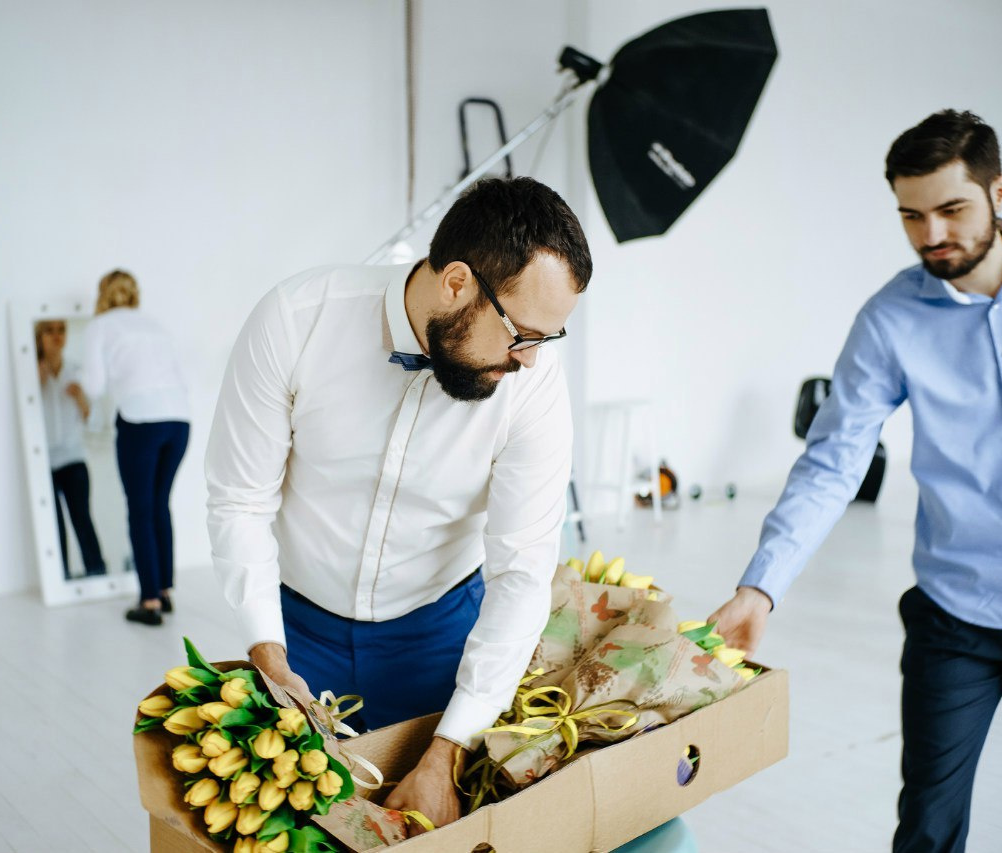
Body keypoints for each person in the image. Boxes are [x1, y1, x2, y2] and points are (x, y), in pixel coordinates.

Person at [206, 177, 695, 851]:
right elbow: (240, 499)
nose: (529, 360)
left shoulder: (535, 387)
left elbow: (522, 571)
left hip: (440, 634)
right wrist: (267, 651)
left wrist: (449, 748)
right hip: (298, 631)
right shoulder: (296, 320)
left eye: (547, 339)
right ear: (457, 283)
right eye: (522, 334)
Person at [708, 110, 1002, 853]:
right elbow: (833, 459)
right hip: (956, 616)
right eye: (911, 216)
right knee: (926, 828)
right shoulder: (890, 319)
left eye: (951, 209)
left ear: (1000, 192)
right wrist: (761, 587)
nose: (931, 235)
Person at [81, 270, 190, 626]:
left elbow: (93, 386)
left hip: (140, 419)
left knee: (140, 509)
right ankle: (165, 591)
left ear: (103, 294)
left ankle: (149, 601)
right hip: (179, 420)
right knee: (160, 504)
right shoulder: (155, 325)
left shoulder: (100, 326)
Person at [35, 319, 106, 579]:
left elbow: (96, 424)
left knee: (82, 519)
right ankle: (59, 578)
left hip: (74, 459)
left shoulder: (78, 373)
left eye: (61, 330)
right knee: (53, 525)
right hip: (42, 463)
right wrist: (36, 385)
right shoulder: (31, 377)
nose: (57, 336)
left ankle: (97, 572)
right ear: (39, 337)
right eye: (49, 330)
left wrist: (81, 399)